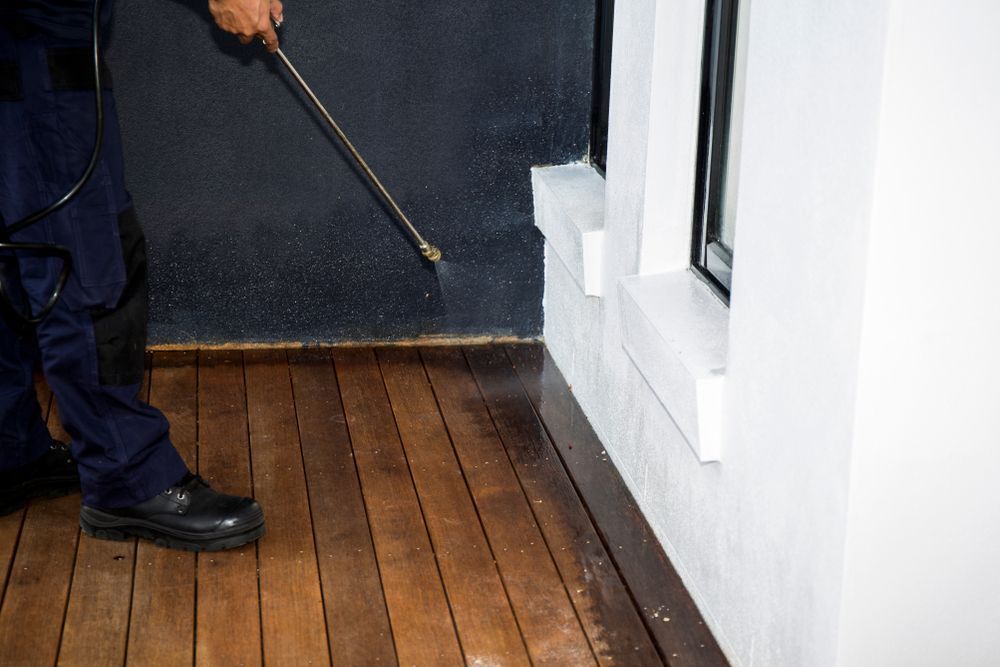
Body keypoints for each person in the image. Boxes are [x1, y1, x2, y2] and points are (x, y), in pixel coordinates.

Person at [0, 0, 282, 551]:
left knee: (15, 246)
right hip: (34, 40)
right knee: (83, 255)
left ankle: (9, 451)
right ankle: (128, 479)